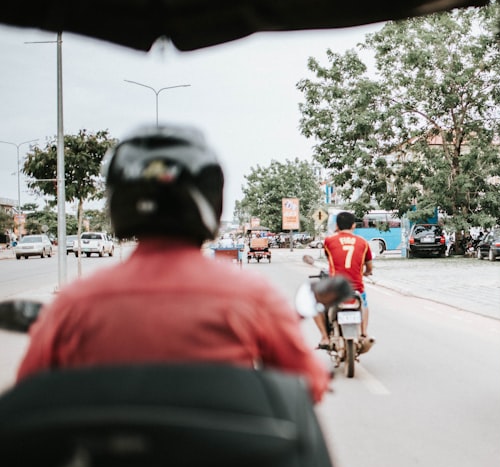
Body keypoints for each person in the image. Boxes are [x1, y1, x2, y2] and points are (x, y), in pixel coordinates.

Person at [16, 125, 329, 403]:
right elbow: (309, 386)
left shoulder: (74, 303)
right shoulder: (252, 295)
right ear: (211, 199)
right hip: (228, 466)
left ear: (119, 201)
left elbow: (27, 399)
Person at [316, 210, 374, 350]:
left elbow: (331, 257)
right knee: (364, 304)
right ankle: (364, 333)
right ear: (354, 225)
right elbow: (369, 267)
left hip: (336, 288)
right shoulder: (363, 243)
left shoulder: (329, 241)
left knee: (315, 305)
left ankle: (324, 337)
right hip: (356, 289)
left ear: (337, 225)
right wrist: (367, 272)